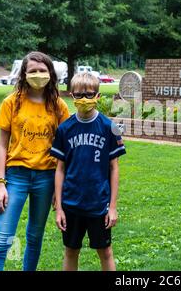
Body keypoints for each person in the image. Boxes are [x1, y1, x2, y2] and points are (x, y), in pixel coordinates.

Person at [0, 51, 70, 271]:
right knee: (2, 240)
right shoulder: (12, 103)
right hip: (16, 176)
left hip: (46, 178)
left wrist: (58, 190)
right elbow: (2, 144)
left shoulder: (59, 106)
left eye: (42, 70)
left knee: (34, 238)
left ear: (51, 74)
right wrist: (0, 184)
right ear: (24, 74)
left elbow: (65, 150)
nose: (38, 74)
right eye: (33, 71)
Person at [51, 72, 126, 271]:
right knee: (70, 251)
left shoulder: (110, 127)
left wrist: (112, 207)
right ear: (71, 96)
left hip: (99, 204)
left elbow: (114, 168)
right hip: (71, 203)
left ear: (98, 96)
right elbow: (60, 169)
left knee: (106, 252)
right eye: (79, 95)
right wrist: (59, 207)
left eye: (90, 94)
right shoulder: (65, 129)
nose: (84, 99)